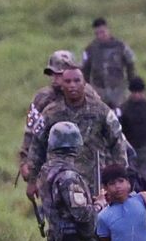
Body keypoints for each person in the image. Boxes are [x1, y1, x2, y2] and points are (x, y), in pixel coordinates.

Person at [26, 67, 130, 200]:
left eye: (76, 81)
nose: (72, 85)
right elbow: (37, 146)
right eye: (68, 82)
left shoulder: (100, 110)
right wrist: (32, 180)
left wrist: (119, 178)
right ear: (62, 86)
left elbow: (117, 142)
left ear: (84, 83)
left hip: (95, 184)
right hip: (60, 183)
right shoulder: (50, 113)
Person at [17, 50, 100, 181]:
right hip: (51, 163)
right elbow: (31, 131)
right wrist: (24, 161)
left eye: (59, 74)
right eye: (52, 74)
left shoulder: (89, 95)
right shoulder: (42, 98)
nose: (55, 79)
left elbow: (104, 123)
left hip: (86, 162)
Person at [82, 17, 137, 108]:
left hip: (118, 89)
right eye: (97, 33)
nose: (100, 35)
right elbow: (85, 70)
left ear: (108, 30)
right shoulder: (90, 49)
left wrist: (131, 83)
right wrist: (86, 89)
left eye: (102, 32)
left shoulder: (121, 46)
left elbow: (130, 64)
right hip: (99, 90)